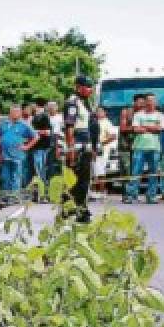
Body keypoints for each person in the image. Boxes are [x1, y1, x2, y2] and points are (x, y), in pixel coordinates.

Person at [63, 76, 101, 222]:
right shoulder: (72, 103)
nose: (90, 90)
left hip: (86, 146)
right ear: (78, 87)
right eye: (87, 87)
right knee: (77, 181)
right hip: (78, 147)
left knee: (83, 180)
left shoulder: (85, 103)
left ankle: (76, 208)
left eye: (91, 87)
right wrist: (71, 150)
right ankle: (76, 209)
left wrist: (94, 147)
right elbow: (69, 128)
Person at [124, 94, 164, 204]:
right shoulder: (138, 114)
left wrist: (145, 127)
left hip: (154, 147)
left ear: (155, 102)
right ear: (145, 102)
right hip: (139, 147)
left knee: (154, 172)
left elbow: (160, 129)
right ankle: (132, 195)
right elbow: (136, 129)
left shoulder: (160, 115)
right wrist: (152, 127)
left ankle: (151, 196)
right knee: (136, 172)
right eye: (148, 100)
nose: (150, 103)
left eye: (152, 100)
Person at [0, 106, 37, 201]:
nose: (15, 114)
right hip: (5, 155)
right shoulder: (3, 124)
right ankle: (6, 196)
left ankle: (15, 197)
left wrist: (27, 147)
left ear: (20, 113)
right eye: (13, 112)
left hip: (18, 156)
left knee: (16, 177)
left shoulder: (24, 125)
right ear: (10, 113)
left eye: (17, 112)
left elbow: (36, 137)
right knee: (5, 177)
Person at [29, 101, 54, 197]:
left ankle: (44, 191)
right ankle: (40, 191)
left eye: (33, 105)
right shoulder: (35, 117)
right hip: (36, 147)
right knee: (38, 169)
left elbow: (47, 132)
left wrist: (34, 132)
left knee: (41, 169)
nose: (32, 107)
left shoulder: (44, 117)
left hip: (43, 147)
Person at [94, 109, 119, 198]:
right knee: (94, 171)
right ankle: (94, 192)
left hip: (102, 151)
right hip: (93, 150)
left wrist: (101, 144)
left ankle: (101, 192)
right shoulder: (94, 121)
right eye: (97, 111)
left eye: (101, 111)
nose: (98, 113)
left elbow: (113, 136)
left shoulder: (107, 122)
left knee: (100, 172)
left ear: (105, 113)